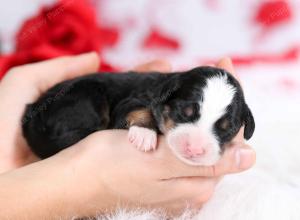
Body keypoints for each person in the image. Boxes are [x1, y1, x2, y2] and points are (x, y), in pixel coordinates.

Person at [0, 52, 256, 219]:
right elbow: (129, 110)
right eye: (185, 114)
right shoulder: (159, 93)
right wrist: (141, 125)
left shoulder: (174, 91)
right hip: (65, 110)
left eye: (221, 130)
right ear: (168, 95)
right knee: (96, 103)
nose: (196, 145)